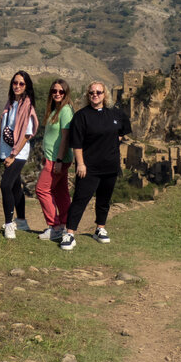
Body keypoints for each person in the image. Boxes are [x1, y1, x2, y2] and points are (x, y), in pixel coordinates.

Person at [60, 82, 130, 251]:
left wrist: (110, 146)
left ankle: (100, 228)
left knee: (104, 200)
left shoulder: (115, 114)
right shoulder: (82, 116)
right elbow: (76, 143)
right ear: (88, 95)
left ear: (105, 94)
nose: (95, 95)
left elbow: (122, 132)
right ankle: (69, 233)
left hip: (110, 166)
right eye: (91, 92)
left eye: (98, 92)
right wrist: (81, 164)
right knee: (80, 200)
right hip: (89, 167)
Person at [0, 70, 39, 239]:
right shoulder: (11, 102)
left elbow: (27, 134)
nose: (17, 86)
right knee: (15, 187)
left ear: (26, 86)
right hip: (6, 150)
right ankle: (21, 221)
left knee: (5, 185)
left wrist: (13, 155)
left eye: (21, 83)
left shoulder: (26, 106)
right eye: (15, 83)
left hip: (17, 153)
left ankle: (9, 224)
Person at [36, 78, 73, 241]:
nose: (57, 94)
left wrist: (58, 160)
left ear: (66, 93)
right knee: (61, 192)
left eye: (61, 91)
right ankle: (65, 224)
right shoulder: (55, 109)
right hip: (52, 157)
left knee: (42, 189)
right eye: (54, 91)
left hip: (58, 159)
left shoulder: (65, 110)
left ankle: (55, 227)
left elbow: (65, 137)